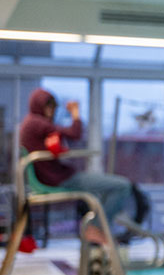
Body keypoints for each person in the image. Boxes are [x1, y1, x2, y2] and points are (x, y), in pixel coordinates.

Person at [19, 87, 142, 245]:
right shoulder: (36, 123)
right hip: (58, 180)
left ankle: (99, 226)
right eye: (48, 107)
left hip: (54, 177)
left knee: (104, 193)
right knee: (122, 186)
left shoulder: (31, 124)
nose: (51, 112)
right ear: (40, 106)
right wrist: (75, 112)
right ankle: (96, 228)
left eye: (53, 108)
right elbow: (75, 133)